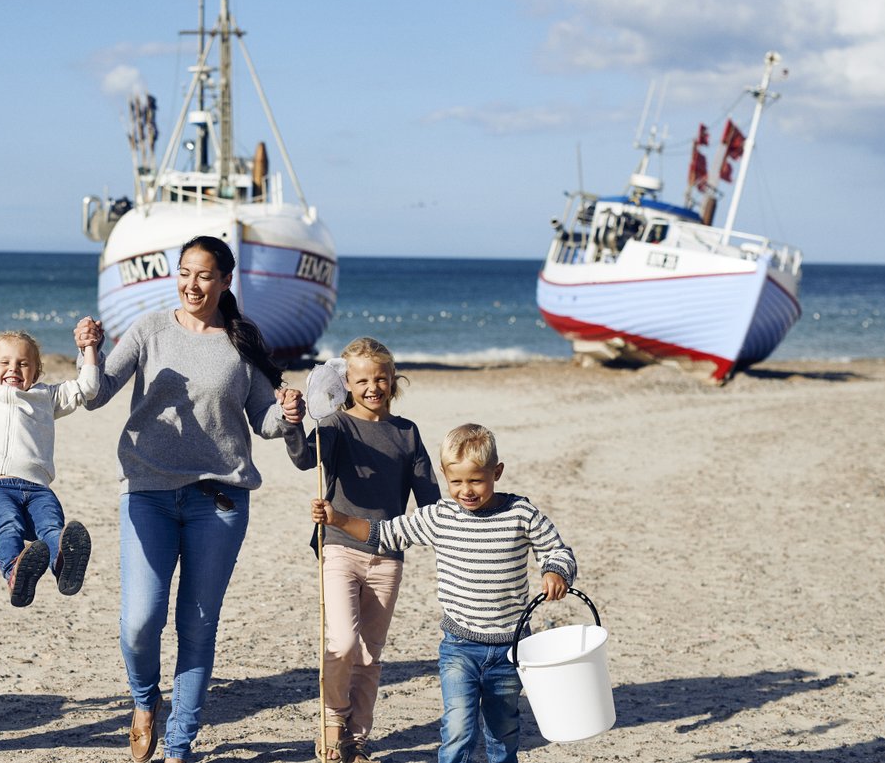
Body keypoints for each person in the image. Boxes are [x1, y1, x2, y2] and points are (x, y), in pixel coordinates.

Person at [75, 234, 305, 763]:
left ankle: (179, 744)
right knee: (140, 621)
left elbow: (264, 420)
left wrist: (288, 413)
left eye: (203, 275)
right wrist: (90, 348)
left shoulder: (241, 345)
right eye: (183, 272)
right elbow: (99, 393)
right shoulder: (151, 329)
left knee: (197, 626)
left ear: (225, 281)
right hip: (148, 492)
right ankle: (144, 700)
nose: (191, 284)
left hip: (218, 501)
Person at [311, 423, 576, 763]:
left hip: (511, 648)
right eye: (456, 482)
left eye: (476, 480)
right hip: (460, 648)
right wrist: (339, 519)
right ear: (444, 476)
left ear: (497, 472)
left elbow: (558, 550)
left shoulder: (520, 513)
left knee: (503, 729)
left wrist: (555, 571)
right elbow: (386, 533)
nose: (466, 490)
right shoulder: (440, 517)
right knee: (458, 729)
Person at [287, 337, 440, 763]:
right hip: (338, 547)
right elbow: (304, 458)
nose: (372, 387)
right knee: (342, 641)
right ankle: (333, 721)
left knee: (371, 654)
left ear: (394, 380)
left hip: (388, 556)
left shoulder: (407, 433)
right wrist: (292, 422)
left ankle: (357, 738)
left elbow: (430, 503)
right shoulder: (337, 426)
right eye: (362, 381)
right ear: (347, 384)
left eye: (380, 378)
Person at [0, 285, 99, 606]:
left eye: (23, 364)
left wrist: (89, 349)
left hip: (39, 489)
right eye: (5, 362)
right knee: (9, 526)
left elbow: (89, 388)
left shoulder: (46, 397)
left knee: (52, 526)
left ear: (37, 372)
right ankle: (16, 574)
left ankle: (63, 564)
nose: (13, 369)